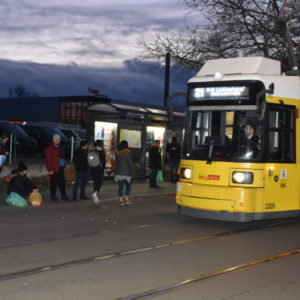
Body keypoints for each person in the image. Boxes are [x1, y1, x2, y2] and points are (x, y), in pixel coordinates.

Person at [44, 133, 69, 202]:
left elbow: (62, 157)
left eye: (59, 139)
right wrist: (50, 169)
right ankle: (53, 196)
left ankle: (63, 195)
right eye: (56, 139)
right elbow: (48, 160)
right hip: (54, 168)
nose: (58, 140)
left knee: (62, 182)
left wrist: (64, 165)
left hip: (61, 167)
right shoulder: (49, 148)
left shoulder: (60, 147)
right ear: (53, 139)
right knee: (53, 183)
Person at [114, 140, 133, 205]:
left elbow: (116, 164)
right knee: (128, 187)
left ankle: (120, 200)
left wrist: (115, 173)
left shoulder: (117, 154)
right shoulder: (128, 153)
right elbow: (130, 164)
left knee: (120, 187)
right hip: (127, 173)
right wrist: (131, 173)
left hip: (119, 173)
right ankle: (127, 199)